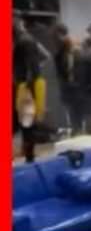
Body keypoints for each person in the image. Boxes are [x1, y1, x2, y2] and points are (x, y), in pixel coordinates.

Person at [13, 19, 45, 163]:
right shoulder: (29, 40)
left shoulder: (23, 41)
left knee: (26, 125)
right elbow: (45, 56)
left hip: (24, 86)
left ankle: (29, 157)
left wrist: (26, 87)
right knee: (27, 126)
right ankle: (29, 157)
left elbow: (30, 67)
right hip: (27, 85)